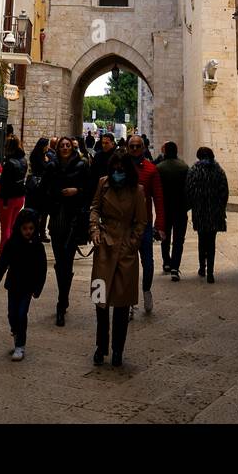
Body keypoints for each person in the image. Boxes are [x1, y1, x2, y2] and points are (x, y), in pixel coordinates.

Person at [89, 149, 147, 368]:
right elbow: (95, 208)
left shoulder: (137, 191)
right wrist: (94, 229)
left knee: (121, 306)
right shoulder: (103, 183)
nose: (117, 173)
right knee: (100, 301)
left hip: (124, 252)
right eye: (114, 170)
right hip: (104, 247)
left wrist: (132, 244)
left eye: (121, 170)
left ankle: (117, 350)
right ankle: (100, 346)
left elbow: (141, 222)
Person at [42, 135, 91, 326]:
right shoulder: (51, 167)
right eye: (61, 145)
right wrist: (53, 198)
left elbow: (88, 188)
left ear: (72, 148)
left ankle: (62, 302)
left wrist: (76, 191)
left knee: (67, 261)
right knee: (60, 261)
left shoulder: (82, 165)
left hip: (73, 219)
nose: (64, 148)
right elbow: (44, 189)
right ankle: (63, 294)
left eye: (67, 145)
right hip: (56, 219)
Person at [0, 207, 47, 361]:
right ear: (19, 228)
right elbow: (3, 263)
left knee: (22, 314)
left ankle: (20, 345)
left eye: (31, 228)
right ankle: (16, 332)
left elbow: (42, 269)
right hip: (13, 285)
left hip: (28, 287)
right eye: (25, 228)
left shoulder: (37, 246)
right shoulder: (12, 243)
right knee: (12, 314)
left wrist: (38, 288)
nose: (28, 232)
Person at [125, 133, 165, 313]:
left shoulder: (151, 169)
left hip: (145, 223)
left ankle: (146, 289)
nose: (134, 149)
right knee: (127, 262)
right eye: (131, 146)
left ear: (143, 148)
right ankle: (129, 299)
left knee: (147, 261)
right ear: (127, 147)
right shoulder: (120, 169)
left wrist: (160, 224)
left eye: (137, 146)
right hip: (125, 224)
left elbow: (158, 197)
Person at [186, 147, 229, 284]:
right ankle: (210, 271)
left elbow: (189, 190)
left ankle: (202, 267)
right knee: (211, 242)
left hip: (200, 212)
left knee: (202, 239)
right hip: (215, 212)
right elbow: (224, 191)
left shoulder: (194, 170)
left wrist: (194, 204)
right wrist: (220, 206)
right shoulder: (219, 170)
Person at [156, 141, 190, 279]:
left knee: (165, 236)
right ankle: (175, 267)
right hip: (180, 208)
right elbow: (188, 189)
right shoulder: (184, 167)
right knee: (178, 239)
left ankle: (166, 262)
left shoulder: (159, 167)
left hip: (165, 207)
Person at [0, 135, 28, 250]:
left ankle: (3, 257)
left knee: (5, 229)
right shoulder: (23, 161)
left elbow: (5, 183)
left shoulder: (9, 163)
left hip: (8, 199)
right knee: (12, 228)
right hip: (19, 197)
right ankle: (12, 254)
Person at [27, 136, 50, 241]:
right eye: (47, 145)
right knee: (38, 211)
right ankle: (36, 232)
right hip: (38, 186)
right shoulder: (38, 156)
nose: (48, 147)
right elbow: (44, 168)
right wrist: (47, 162)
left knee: (42, 211)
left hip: (39, 185)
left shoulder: (42, 155)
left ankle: (40, 232)